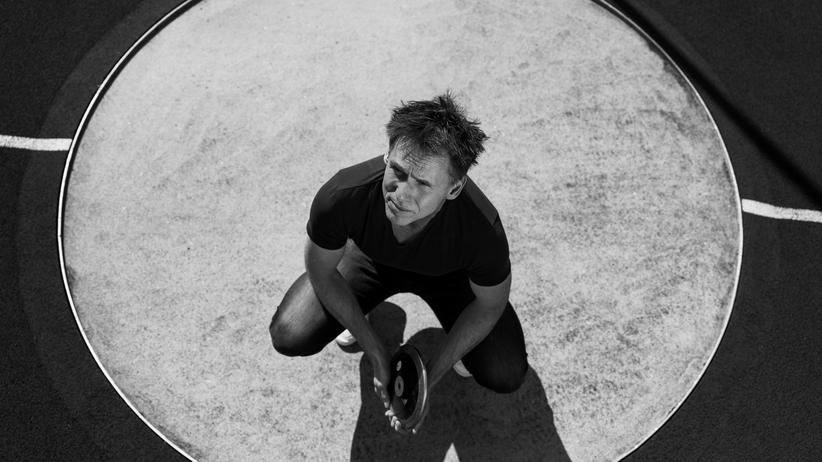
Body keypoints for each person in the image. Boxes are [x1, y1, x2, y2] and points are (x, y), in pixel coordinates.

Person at [269, 92, 528, 434]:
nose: (402, 194)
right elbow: (321, 270)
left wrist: (430, 374)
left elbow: (489, 304)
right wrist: (375, 349)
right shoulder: (342, 195)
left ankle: (461, 347)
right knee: (290, 332)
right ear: (387, 155)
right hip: (370, 259)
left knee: (504, 370)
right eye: (399, 171)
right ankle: (360, 309)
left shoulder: (481, 230)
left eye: (423, 184)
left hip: (450, 276)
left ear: (453, 188)